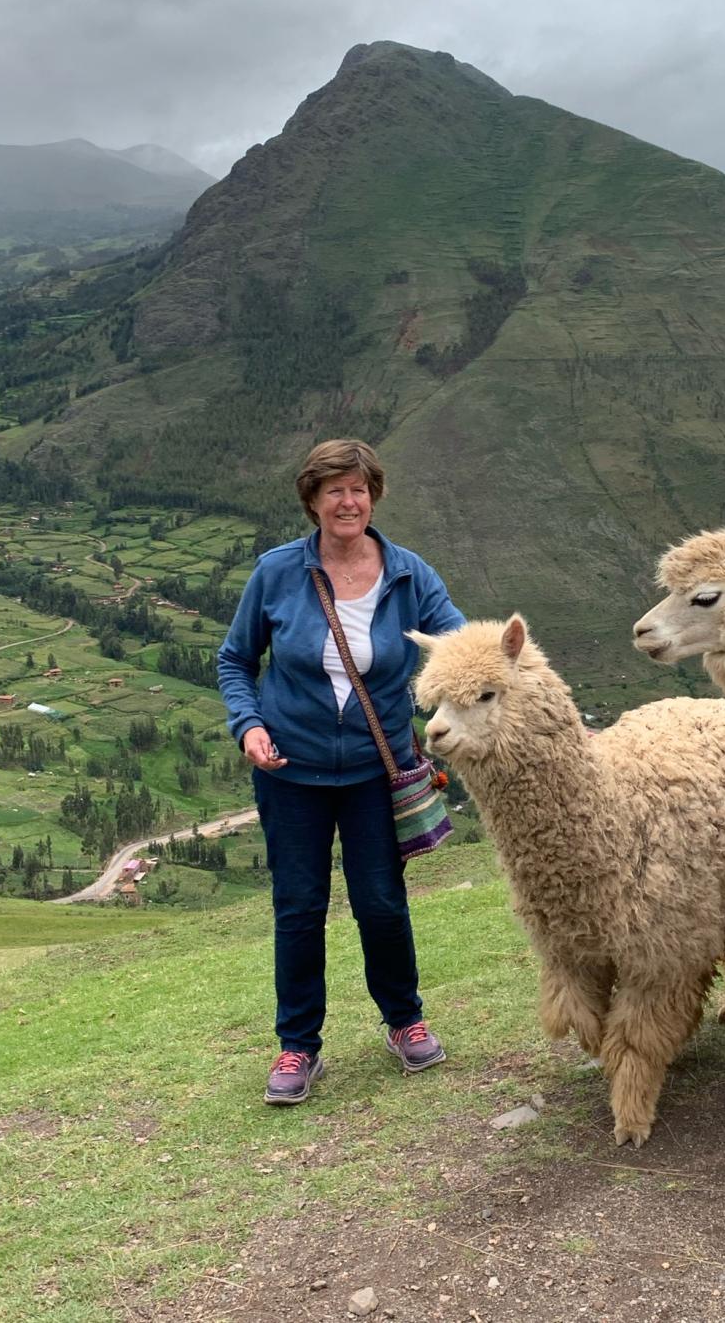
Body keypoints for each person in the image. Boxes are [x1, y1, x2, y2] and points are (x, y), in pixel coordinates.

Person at [218, 439, 465, 1104]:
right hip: (289, 772)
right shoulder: (277, 572)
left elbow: (462, 646)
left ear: (373, 496)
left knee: (381, 902)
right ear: (313, 500)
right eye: (334, 490)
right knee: (299, 906)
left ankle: (405, 1020)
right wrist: (250, 725)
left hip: (373, 772)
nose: (348, 502)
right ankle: (298, 1045)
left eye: (358, 489)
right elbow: (236, 659)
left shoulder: (409, 576)